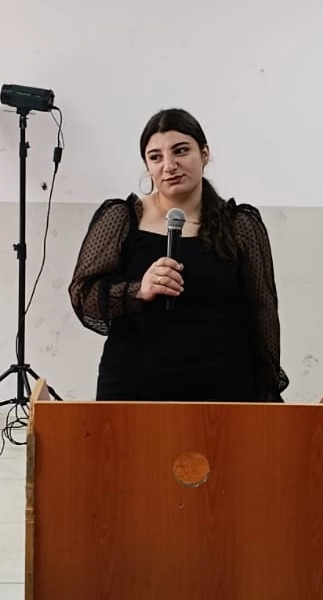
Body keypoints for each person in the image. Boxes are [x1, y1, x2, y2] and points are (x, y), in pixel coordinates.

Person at [68, 108, 288, 402]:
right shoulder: (121, 218)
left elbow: (263, 309)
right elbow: (83, 295)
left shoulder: (239, 224)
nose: (169, 165)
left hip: (224, 389)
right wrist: (138, 290)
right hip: (135, 387)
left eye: (181, 151)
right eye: (155, 157)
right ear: (147, 165)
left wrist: (268, 390)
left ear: (204, 154)